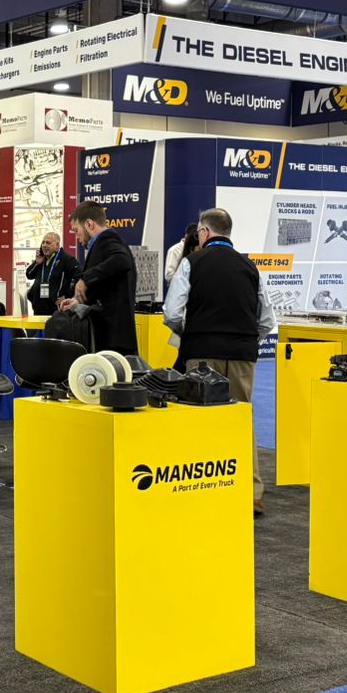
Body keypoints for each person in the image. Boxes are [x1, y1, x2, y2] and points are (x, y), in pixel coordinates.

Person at [163, 208, 276, 516]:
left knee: (202, 420)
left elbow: (172, 313)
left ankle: (205, 488)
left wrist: (192, 333)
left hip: (202, 353)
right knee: (241, 419)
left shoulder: (192, 263)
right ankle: (251, 493)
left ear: (204, 232)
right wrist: (244, 339)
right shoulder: (250, 267)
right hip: (242, 354)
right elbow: (267, 320)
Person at [61, 201, 138, 355]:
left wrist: (85, 279)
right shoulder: (104, 244)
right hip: (110, 336)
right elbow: (107, 286)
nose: (77, 237)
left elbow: (122, 261)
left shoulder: (107, 240)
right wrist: (78, 301)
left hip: (113, 338)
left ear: (89, 224)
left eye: (76, 231)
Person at [23, 231, 78, 317]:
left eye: (48, 243)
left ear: (57, 245)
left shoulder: (67, 259)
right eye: (43, 242)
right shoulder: (41, 259)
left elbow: (78, 278)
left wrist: (68, 296)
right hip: (38, 308)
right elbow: (29, 275)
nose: (44, 245)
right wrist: (37, 263)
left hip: (55, 310)